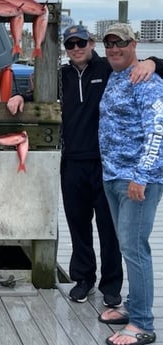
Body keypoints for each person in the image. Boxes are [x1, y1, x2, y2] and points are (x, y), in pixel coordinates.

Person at [7, 25, 163, 307]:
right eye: (70, 45)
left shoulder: (109, 68)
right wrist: (21, 97)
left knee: (110, 230)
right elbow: (40, 95)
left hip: (107, 165)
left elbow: (149, 72)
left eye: (82, 43)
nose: (76, 48)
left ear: (92, 44)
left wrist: (153, 62)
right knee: (78, 226)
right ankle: (83, 279)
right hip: (72, 163)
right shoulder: (61, 75)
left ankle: (112, 286)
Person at [98, 22, 163, 345]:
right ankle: (132, 307)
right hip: (112, 176)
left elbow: (157, 133)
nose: (114, 49)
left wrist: (142, 176)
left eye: (120, 43)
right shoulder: (115, 76)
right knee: (127, 246)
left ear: (134, 44)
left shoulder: (147, 80)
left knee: (135, 249)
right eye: (109, 44)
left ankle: (142, 324)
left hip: (136, 181)